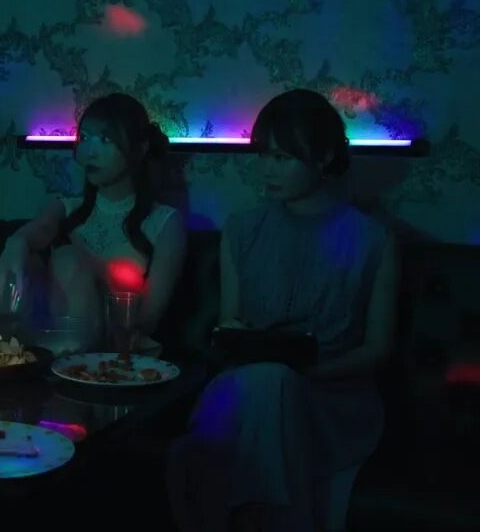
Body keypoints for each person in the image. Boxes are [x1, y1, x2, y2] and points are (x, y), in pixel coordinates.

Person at [167, 89, 399, 532]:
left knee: (272, 385)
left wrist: (306, 372)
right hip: (248, 386)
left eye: (282, 158)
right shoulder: (242, 229)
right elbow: (231, 322)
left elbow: (377, 348)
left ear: (323, 156)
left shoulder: (373, 240)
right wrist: (238, 341)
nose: (267, 169)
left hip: (329, 397)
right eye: (264, 155)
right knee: (262, 384)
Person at [0, 93, 186, 352]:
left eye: (105, 140)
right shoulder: (66, 208)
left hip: (113, 348)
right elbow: (37, 231)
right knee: (25, 256)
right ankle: (2, 354)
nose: (89, 152)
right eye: (85, 138)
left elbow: (147, 320)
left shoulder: (164, 222)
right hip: (47, 338)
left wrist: (95, 274)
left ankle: (61, 356)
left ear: (140, 148)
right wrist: (14, 245)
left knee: (69, 258)